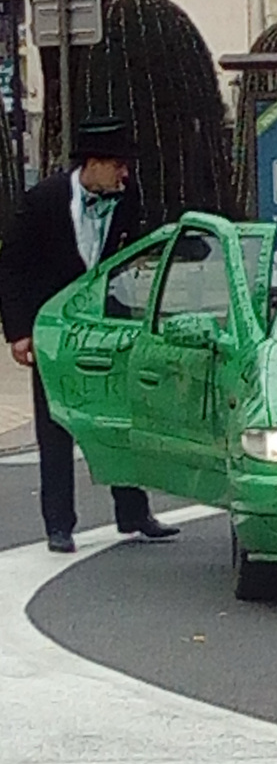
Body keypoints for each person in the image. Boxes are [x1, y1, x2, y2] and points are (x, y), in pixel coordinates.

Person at [0, 117, 180, 551]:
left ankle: (133, 514)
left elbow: (135, 253)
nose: (126, 175)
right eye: (119, 165)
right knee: (55, 425)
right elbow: (12, 266)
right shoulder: (44, 200)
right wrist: (19, 332)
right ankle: (58, 525)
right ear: (93, 164)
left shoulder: (125, 198)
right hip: (55, 330)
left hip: (109, 328)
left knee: (120, 419)